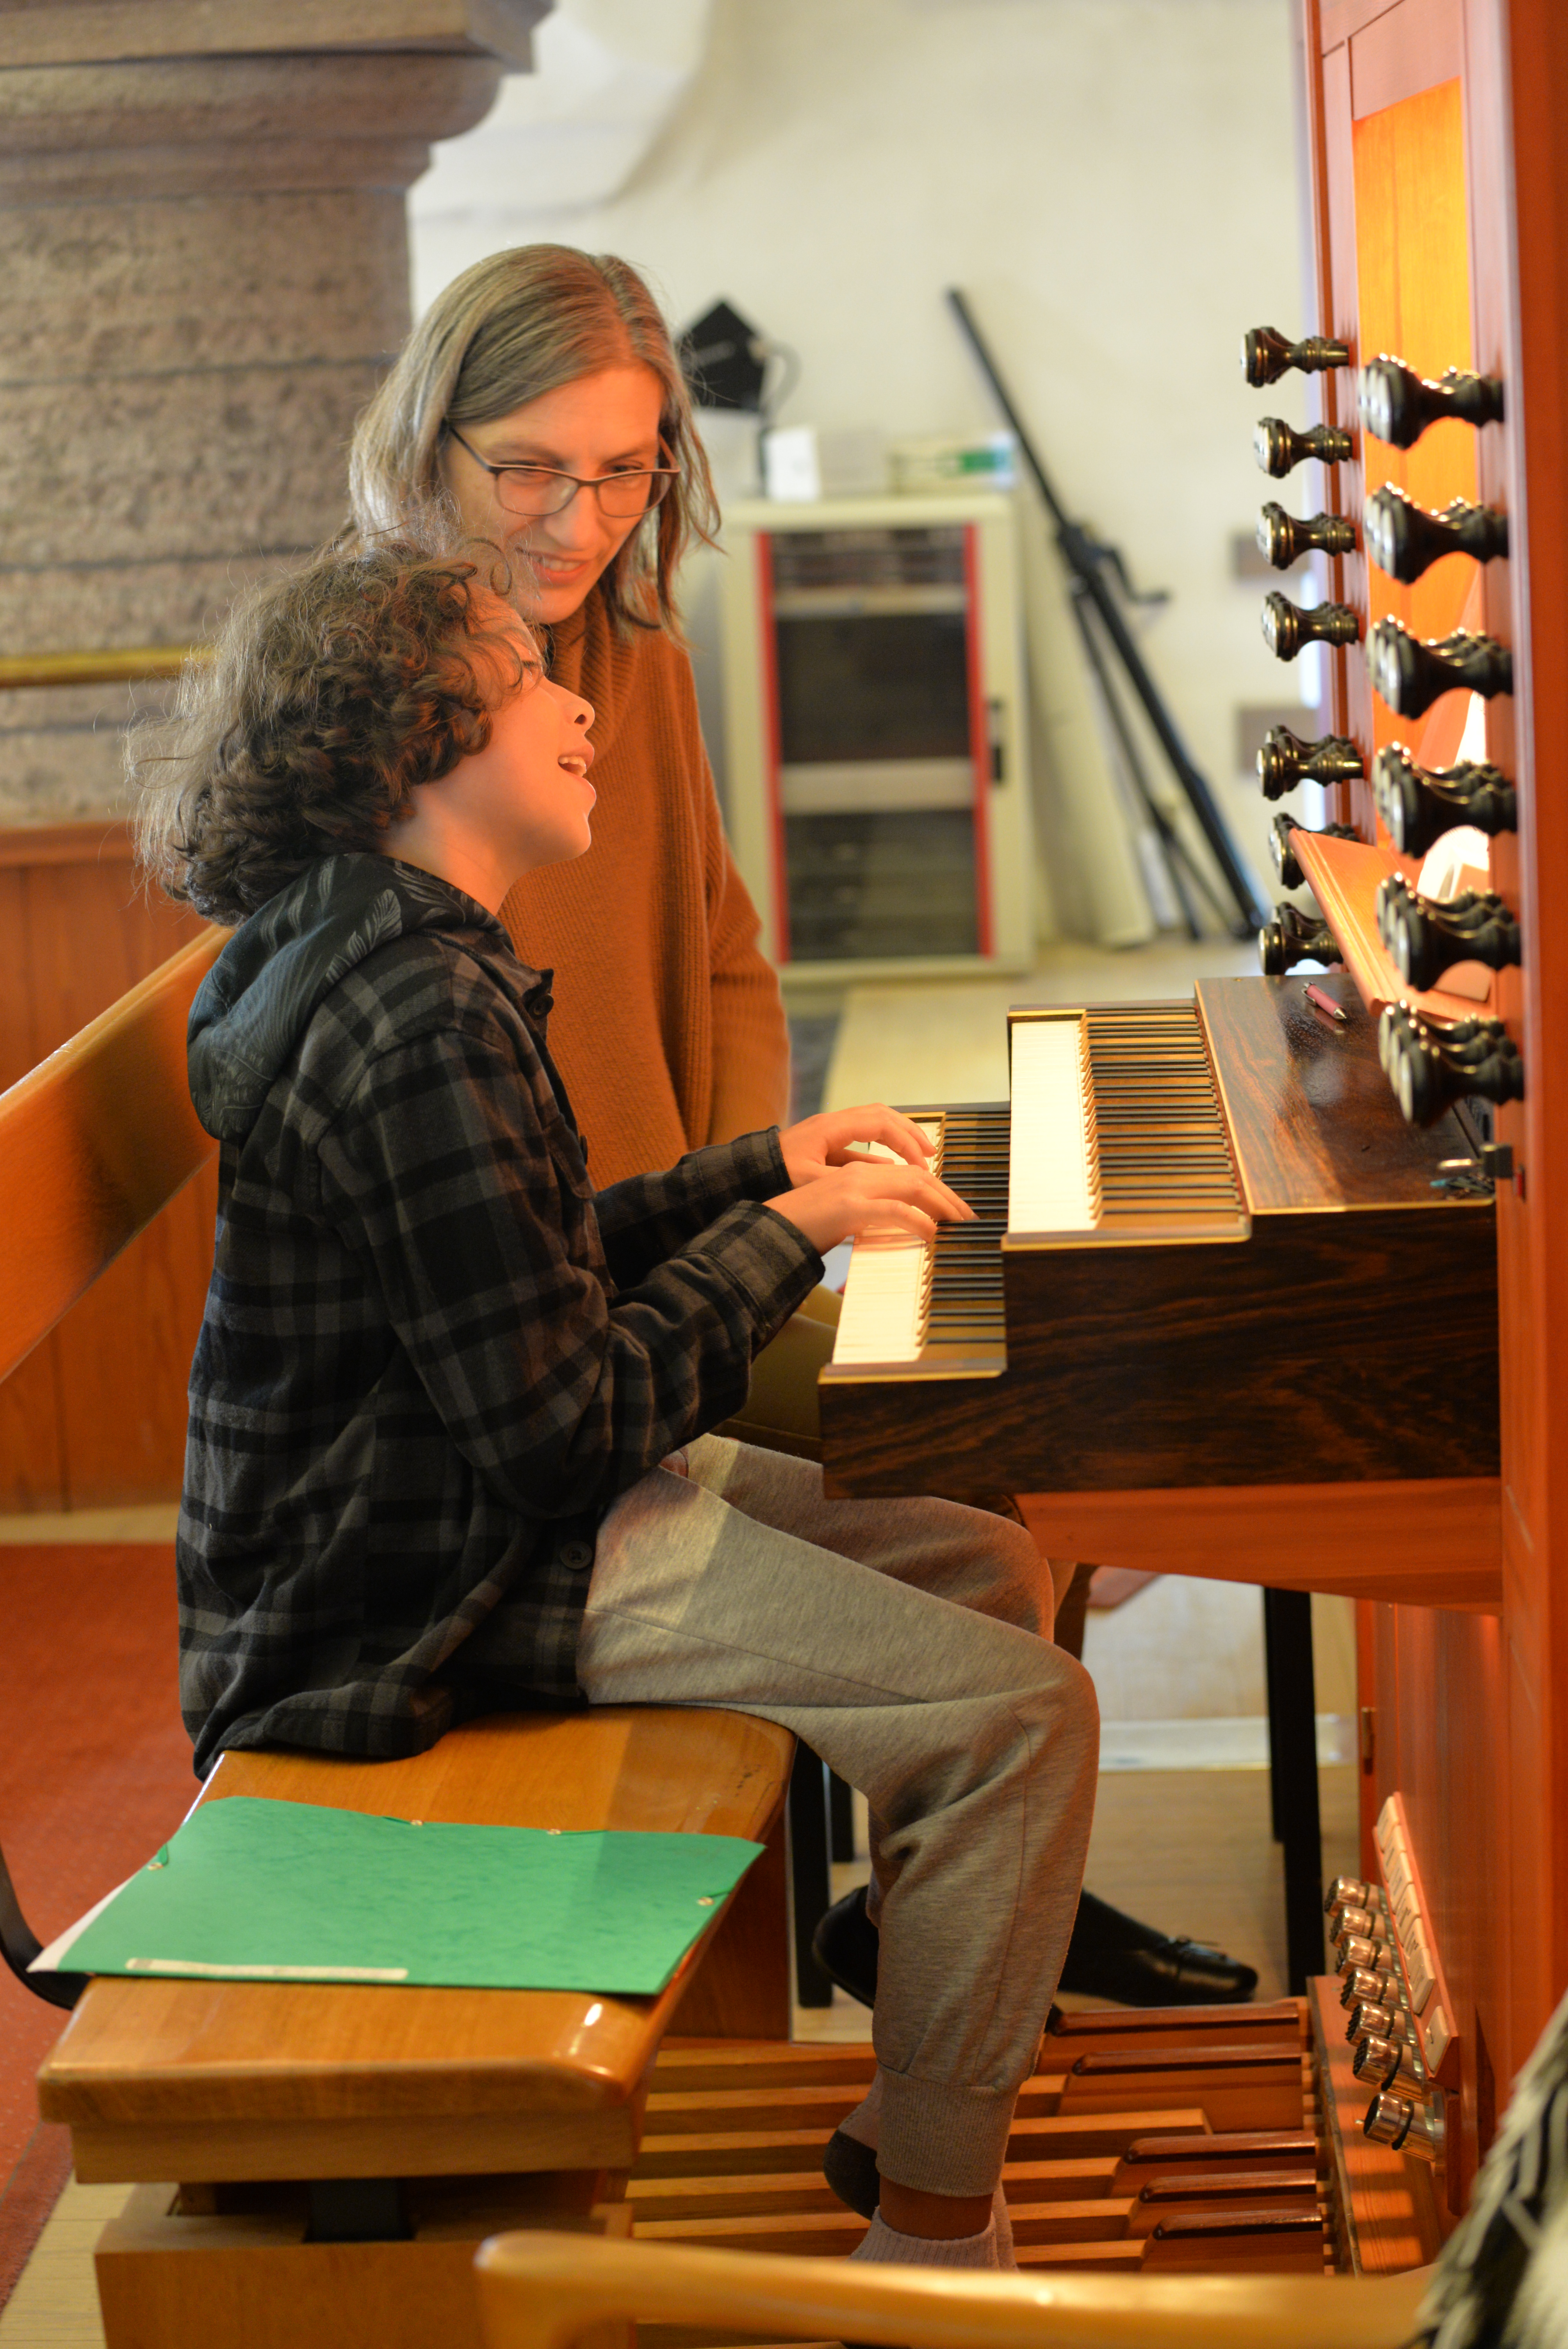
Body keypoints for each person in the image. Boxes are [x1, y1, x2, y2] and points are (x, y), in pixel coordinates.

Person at [132, 532, 1100, 2271]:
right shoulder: (416, 1007)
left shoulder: (389, 947)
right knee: (1018, 1715)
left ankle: (915, 2086)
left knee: (975, 1559)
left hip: (441, 1510)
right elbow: (563, 1435)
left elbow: (524, 1258)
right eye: (526, 680)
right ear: (418, 743)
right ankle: (941, 2241)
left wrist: (757, 1169)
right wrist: (787, 1238)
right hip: (417, 1586)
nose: (578, 706)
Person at [346, 243, 1254, 2009]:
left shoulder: (627, 654)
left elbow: (729, 960)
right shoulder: (375, 702)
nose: (576, 517)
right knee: (978, 1439)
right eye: (526, 466)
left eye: (623, 471)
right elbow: (431, 1176)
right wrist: (727, 1255)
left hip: (663, 1251)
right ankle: (967, 1874)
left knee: (1013, 1385)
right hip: (521, 1337)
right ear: (425, 437)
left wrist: (758, 1192)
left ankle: (959, 1886)